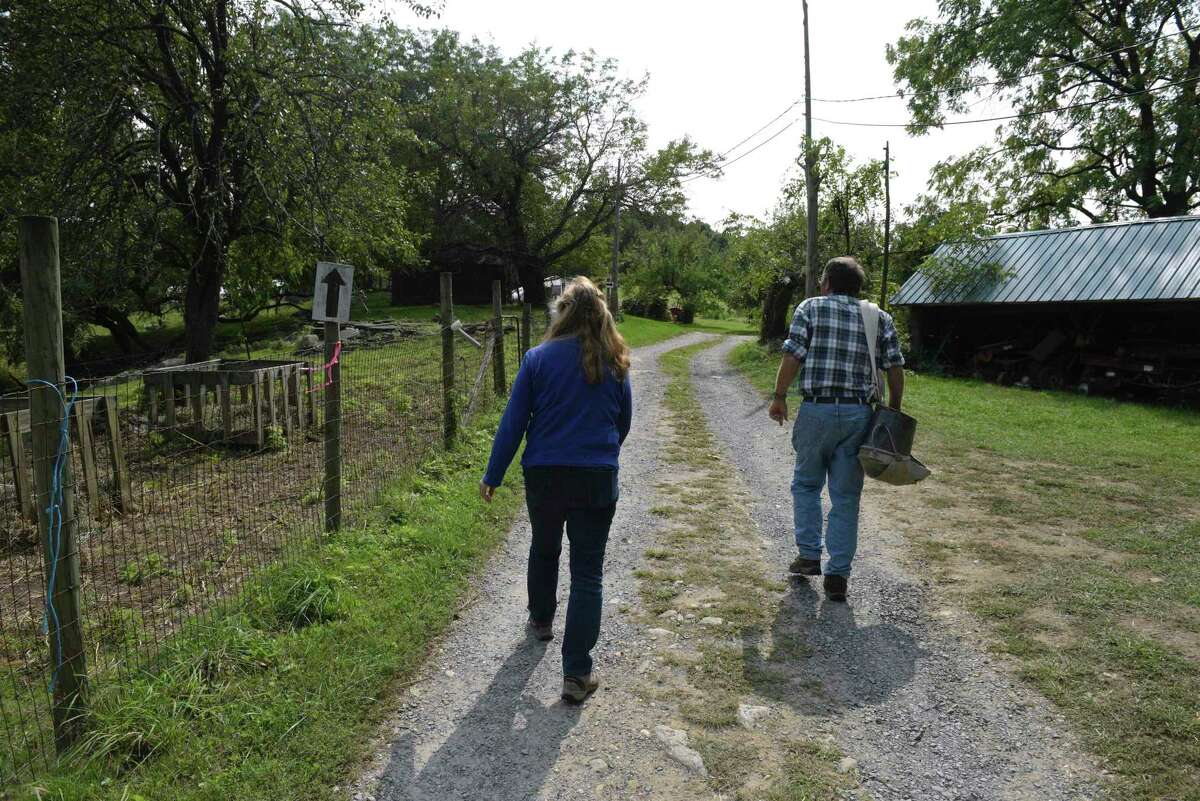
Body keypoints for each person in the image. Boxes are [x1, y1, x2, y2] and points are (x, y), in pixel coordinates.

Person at [479, 276, 632, 704]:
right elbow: (622, 423)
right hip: (596, 477)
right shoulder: (616, 361)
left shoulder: (537, 359)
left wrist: (493, 474)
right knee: (588, 573)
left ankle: (541, 620)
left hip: (544, 474)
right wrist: (600, 455)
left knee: (544, 547)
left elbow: (513, 423)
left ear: (561, 312)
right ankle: (577, 673)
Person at [767, 256, 905, 602]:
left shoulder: (810, 308)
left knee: (806, 484)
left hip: (818, 410)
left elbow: (793, 356)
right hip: (859, 415)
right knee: (846, 496)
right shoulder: (879, 317)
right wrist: (893, 409)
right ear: (857, 287)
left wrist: (780, 396)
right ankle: (838, 575)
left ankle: (809, 555)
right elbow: (894, 367)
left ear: (827, 283)